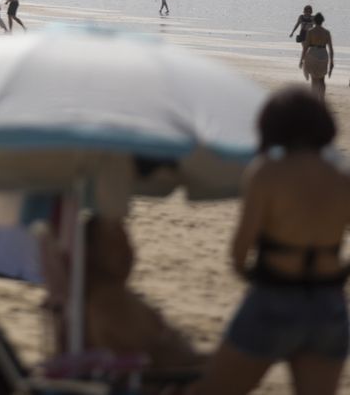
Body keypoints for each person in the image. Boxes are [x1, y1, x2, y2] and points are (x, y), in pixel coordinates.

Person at [196, 88, 350, 395]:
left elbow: (240, 251)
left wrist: (250, 274)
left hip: (275, 295)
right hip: (328, 302)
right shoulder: (342, 176)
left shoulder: (267, 172)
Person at [85, 216, 205, 374]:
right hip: (171, 379)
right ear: (92, 253)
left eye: (126, 241)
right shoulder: (108, 302)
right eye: (113, 244)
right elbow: (160, 356)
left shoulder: (118, 296)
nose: (126, 251)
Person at [300, 15, 333, 100]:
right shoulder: (326, 32)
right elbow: (330, 49)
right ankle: (321, 99)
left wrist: (301, 59)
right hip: (323, 54)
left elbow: (306, 47)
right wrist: (331, 62)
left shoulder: (310, 31)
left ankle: (314, 99)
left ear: (314, 21)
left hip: (313, 54)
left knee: (314, 80)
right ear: (322, 21)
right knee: (322, 80)